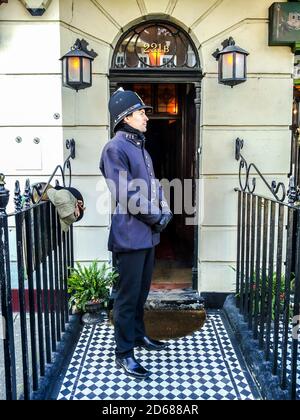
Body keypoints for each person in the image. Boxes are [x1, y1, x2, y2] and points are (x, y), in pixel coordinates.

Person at [99, 88, 173, 379]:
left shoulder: (140, 147)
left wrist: (165, 208)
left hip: (147, 235)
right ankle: (124, 352)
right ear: (127, 116)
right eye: (141, 112)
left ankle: (139, 336)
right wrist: (157, 216)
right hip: (130, 237)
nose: (146, 117)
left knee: (141, 292)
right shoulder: (114, 148)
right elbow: (127, 193)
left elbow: (153, 186)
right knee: (127, 298)